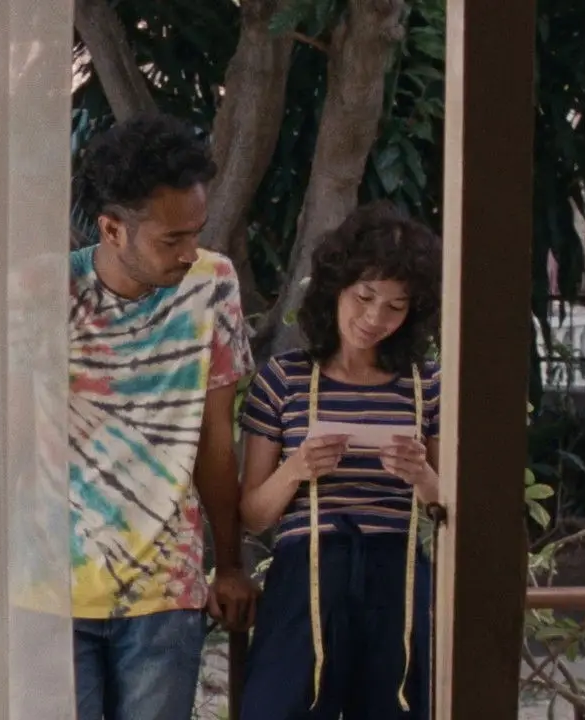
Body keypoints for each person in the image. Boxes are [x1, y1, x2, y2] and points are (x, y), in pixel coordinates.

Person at [68, 112, 257, 720]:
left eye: (195, 233)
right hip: (51, 585)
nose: (188, 253)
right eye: (170, 240)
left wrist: (229, 565)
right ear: (112, 229)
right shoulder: (45, 293)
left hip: (166, 587)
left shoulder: (213, 283)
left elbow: (216, 440)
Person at [237, 201, 444, 720]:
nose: (375, 318)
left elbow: (448, 509)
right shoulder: (283, 379)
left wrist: (422, 475)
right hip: (305, 573)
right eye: (365, 297)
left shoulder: (427, 385)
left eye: (396, 307)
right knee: (278, 707)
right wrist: (296, 469)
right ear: (335, 288)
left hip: (397, 575)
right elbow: (254, 514)